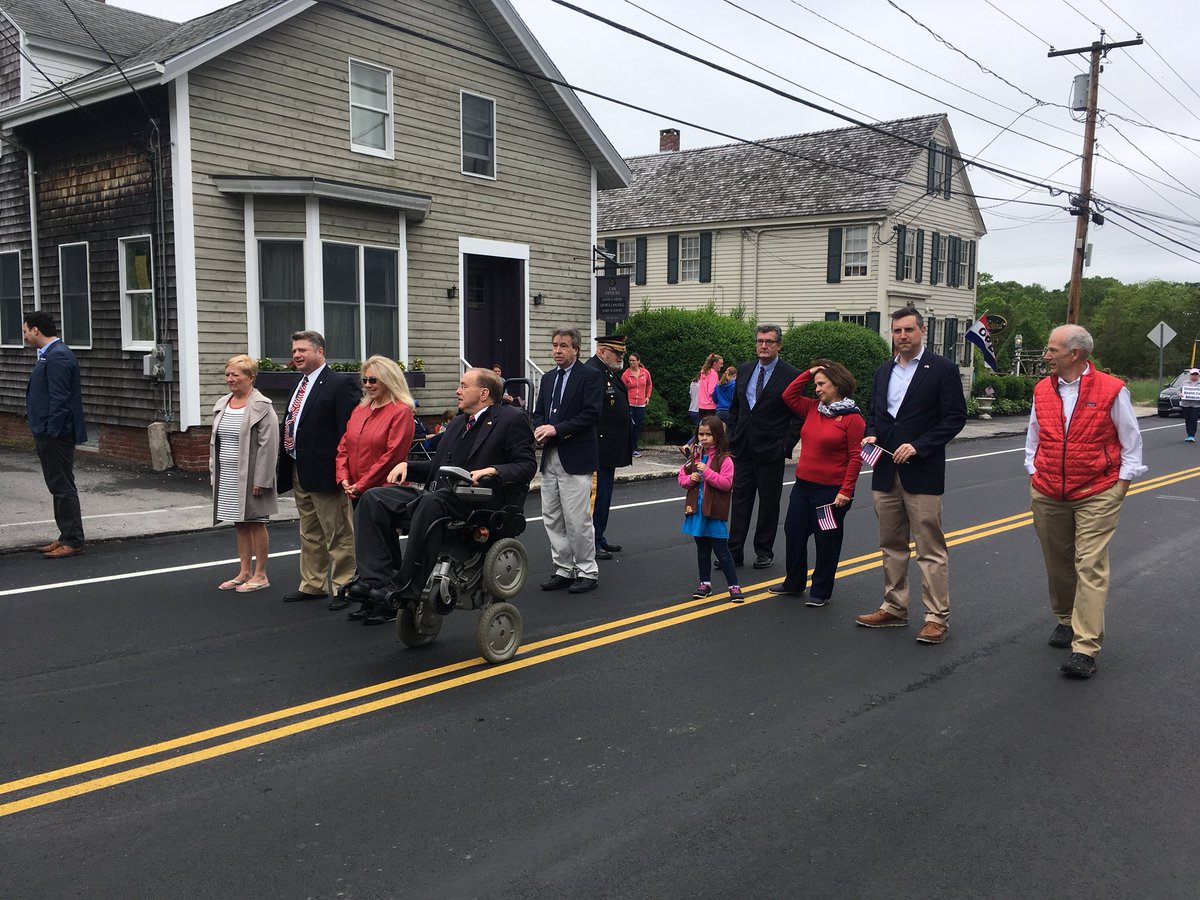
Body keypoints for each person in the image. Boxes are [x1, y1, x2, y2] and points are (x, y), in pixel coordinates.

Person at [349, 367, 536, 624]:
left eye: (463, 386)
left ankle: (407, 586)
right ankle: (375, 580)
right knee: (373, 498)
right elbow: (438, 467)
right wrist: (408, 466)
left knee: (432, 502)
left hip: (478, 501)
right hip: (442, 496)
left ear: (483, 393)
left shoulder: (511, 418)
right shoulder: (459, 422)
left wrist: (493, 470)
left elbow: (526, 465)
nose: (457, 391)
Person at [1026, 324, 1146, 678]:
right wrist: (1033, 469)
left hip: (1097, 491)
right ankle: (1066, 620)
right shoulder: (1042, 389)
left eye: (1052, 350)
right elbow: (1034, 434)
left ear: (1074, 354)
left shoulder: (1112, 389)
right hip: (1048, 490)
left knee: (1089, 565)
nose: (1046, 356)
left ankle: (1085, 648)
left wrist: (1121, 485)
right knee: (1057, 561)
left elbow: (1131, 440)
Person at [856, 307, 966, 644]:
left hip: (923, 472)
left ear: (922, 331)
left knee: (929, 548)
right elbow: (875, 413)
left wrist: (919, 446)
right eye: (897, 331)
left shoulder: (942, 370)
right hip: (885, 470)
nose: (902, 336)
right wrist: (871, 434)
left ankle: (936, 617)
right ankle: (894, 607)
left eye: (908, 330)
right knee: (891, 544)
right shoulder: (883, 371)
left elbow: (954, 418)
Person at [278, 330, 361, 607]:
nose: (296, 355)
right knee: (309, 531)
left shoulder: (340, 383)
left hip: (326, 471)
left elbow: (347, 432)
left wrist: (343, 471)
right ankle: (312, 584)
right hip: (299, 467)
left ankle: (344, 586)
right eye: (294, 351)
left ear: (320, 351)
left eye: (302, 350)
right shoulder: (298, 383)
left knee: (337, 531)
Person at [771, 360, 865, 606]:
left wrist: (846, 491)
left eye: (822, 384)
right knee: (794, 531)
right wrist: (811, 371)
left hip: (830, 493)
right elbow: (788, 395)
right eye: (816, 384)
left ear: (837, 384)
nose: (817, 389)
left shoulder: (852, 419)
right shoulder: (813, 408)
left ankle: (821, 590)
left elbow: (856, 457)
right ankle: (794, 582)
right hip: (803, 487)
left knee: (826, 540)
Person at [533, 327, 603, 594]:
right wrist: (539, 429)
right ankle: (563, 568)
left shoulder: (590, 376)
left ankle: (587, 570)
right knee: (552, 516)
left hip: (576, 456)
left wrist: (557, 429)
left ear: (576, 349)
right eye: (554, 345)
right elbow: (539, 413)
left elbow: (591, 414)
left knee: (576, 519)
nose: (557, 350)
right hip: (550, 456)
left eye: (563, 346)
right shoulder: (548, 378)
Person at [726, 324, 802, 569]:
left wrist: (785, 446)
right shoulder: (745, 369)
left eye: (769, 342)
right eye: (760, 341)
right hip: (743, 449)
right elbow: (736, 407)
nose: (764, 346)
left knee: (769, 503)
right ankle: (734, 551)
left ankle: (763, 551)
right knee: (740, 501)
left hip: (771, 451)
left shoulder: (791, 375)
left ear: (779, 345)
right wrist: (732, 435)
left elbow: (798, 416)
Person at [210, 355, 279, 592]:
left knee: (256, 522)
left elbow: (269, 446)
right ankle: (244, 572)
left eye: (235, 375)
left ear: (251, 377)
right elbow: (216, 442)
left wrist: (262, 479)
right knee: (239, 523)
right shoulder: (223, 403)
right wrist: (214, 470)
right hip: (228, 474)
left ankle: (260, 574)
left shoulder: (262, 406)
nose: (230, 379)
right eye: (227, 374)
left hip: (252, 476)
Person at [22, 311, 87, 558]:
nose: (24, 335)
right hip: (50, 432)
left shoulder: (58, 355)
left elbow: (60, 400)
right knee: (57, 485)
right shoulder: (49, 354)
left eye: (25, 330)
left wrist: (51, 432)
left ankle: (73, 540)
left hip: (56, 435)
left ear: (36, 330)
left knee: (62, 486)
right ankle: (65, 535)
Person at [335, 355, 415, 505]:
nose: (367, 385)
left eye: (373, 380)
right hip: (356, 491)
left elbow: (392, 456)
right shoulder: (360, 410)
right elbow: (344, 448)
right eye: (365, 380)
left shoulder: (401, 412)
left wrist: (361, 485)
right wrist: (343, 478)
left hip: (384, 494)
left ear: (388, 381)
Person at [679, 415, 743, 603]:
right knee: (702, 550)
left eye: (708, 434)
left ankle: (733, 586)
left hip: (714, 512)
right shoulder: (694, 457)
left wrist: (707, 472)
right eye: (701, 434)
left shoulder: (725, 459)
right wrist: (690, 479)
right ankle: (705, 583)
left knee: (722, 551)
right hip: (697, 511)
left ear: (718, 436)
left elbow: (726, 483)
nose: (703, 438)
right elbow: (681, 477)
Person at [585, 335, 632, 560]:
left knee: (604, 498)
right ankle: (591, 542)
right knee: (596, 499)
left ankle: (599, 536)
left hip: (609, 448)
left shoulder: (607, 372)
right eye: (617, 352)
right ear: (602, 351)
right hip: (598, 448)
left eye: (622, 353)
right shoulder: (594, 372)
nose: (621, 356)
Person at [621, 352, 653, 458]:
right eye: (630, 360)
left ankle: (634, 448)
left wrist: (647, 396)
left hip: (640, 404)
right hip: (629, 403)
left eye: (634, 360)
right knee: (629, 426)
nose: (631, 363)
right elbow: (621, 388)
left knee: (636, 426)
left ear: (638, 361)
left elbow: (649, 384)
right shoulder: (626, 374)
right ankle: (627, 448)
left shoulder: (645, 373)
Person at [697, 352, 723, 418]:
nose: (722, 366)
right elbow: (711, 391)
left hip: (701, 406)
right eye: (720, 364)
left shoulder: (703, 372)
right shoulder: (713, 374)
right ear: (714, 363)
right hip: (710, 407)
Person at [1180, 368, 1200, 442]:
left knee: (1194, 418)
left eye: (1196, 374)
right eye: (1193, 374)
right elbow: (1178, 391)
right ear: (1190, 375)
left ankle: (1192, 435)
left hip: (1196, 405)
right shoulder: (1185, 382)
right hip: (1186, 404)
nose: (1194, 375)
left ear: (1198, 375)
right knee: (1187, 419)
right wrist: (1180, 394)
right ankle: (1189, 434)